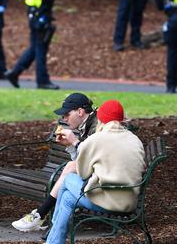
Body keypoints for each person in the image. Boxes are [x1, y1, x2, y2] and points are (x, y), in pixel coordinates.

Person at [44, 99, 146, 244]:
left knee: (67, 180)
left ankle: (53, 229)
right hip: (130, 201)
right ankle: (53, 241)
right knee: (67, 198)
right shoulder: (135, 140)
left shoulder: (96, 140)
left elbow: (82, 173)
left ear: (101, 119)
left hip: (107, 201)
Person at [11, 93, 99, 233]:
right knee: (70, 169)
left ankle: (40, 215)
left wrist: (75, 142)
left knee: (70, 167)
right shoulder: (87, 125)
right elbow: (81, 159)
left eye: (66, 115)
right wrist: (70, 145)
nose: (64, 119)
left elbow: (94, 158)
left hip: (103, 179)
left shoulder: (97, 127)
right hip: (95, 175)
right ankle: (47, 221)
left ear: (80, 112)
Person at [5, 0, 60, 90]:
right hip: (42, 15)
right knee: (41, 48)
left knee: (35, 46)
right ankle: (42, 81)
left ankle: (15, 73)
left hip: (31, 14)